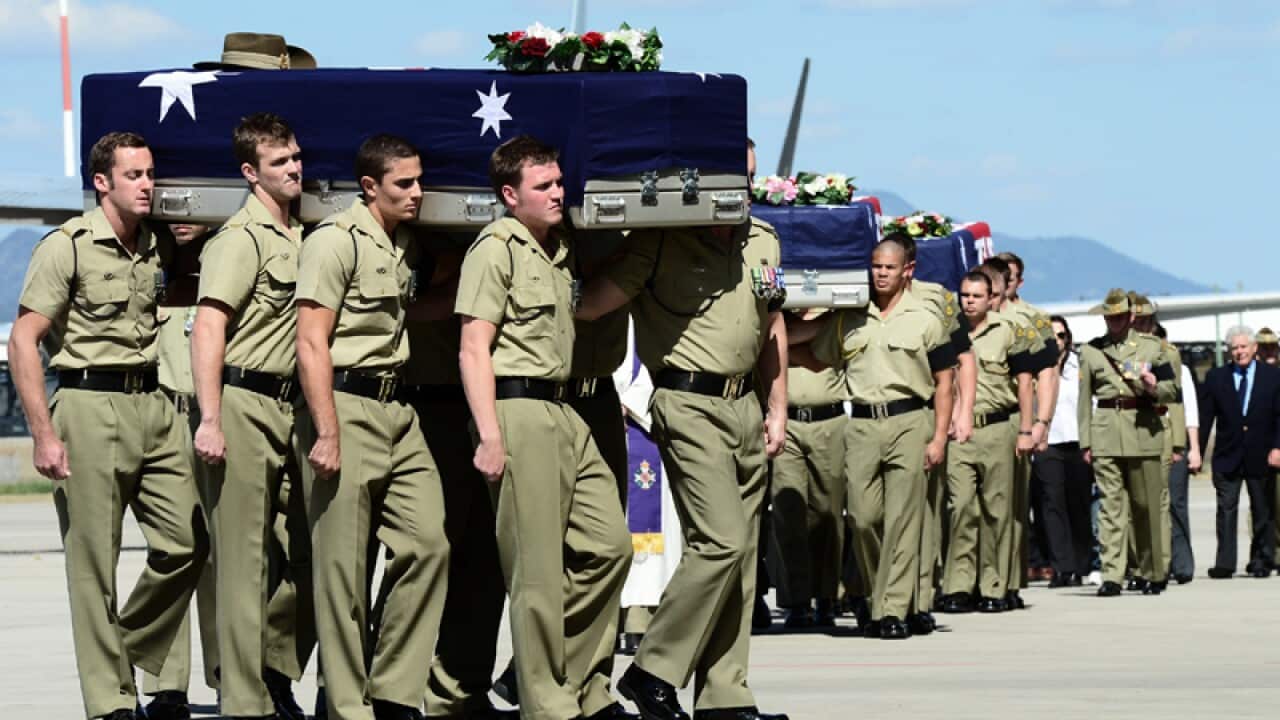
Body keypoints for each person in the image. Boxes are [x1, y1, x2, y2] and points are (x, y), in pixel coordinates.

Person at [576, 140, 790, 720]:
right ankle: (653, 669)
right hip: (686, 400)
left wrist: (778, 404)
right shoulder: (662, 235)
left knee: (741, 557)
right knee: (719, 541)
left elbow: (771, 326)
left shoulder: (763, 239)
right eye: (732, 178)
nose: (742, 190)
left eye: (749, 178)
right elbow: (596, 303)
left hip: (745, 404)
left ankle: (725, 695)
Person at [9, 132, 209, 720]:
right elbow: (25, 340)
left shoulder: (155, 246)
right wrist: (43, 434)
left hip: (153, 404)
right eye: (135, 175)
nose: (148, 184)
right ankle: (111, 702)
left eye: (151, 173)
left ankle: (120, 649)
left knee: (187, 544)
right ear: (103, 182)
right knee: (93, 563)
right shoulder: (65, 247)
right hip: (88, 406)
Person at [456, 135, 633, 720]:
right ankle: (548, 705)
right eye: (545, 186)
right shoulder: (495, 248)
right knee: (535, 574)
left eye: (559, 182)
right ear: (510, 195)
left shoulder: (557, 251)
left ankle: (569, 677)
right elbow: (474, 348)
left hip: (568, 409)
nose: (559, 193)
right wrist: (489, 435)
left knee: (609, 549)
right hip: (519, 409)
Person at [295, 134, 450, 720]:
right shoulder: (334, 242)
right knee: (341, 572)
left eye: (418, 181)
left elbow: (406, 307)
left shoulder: (403, 244)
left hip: (399, 410)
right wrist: (327, 431)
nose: (417, 193)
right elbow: (311, 342)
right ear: (369, 187)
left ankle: (392, 691)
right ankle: (345, 705)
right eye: (403, 184)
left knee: (428, 544)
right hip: (345, 405)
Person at [190, 113, 315, 720]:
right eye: (279, 162)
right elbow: (209, 326)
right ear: (250, 173)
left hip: (296, 406)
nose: (294, 168)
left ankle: (274, 670)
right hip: (243, 402)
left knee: (306, 553)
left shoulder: (305, 235)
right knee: (243, 561)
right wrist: (209, 418)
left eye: (295, 157)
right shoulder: (240, 239)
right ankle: (245, 701)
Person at [791, 233, 956, 640]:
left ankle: (892, 610)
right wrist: (773, 342)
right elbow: (817, 357)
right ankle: (878, 594)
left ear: (907, 271)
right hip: (862, 423)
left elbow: (945, 382)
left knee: (902, 520)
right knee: (863, 520)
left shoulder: (926, 318)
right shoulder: (852, 316)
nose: (881, 274)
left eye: (889, 268)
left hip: (910, 420)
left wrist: (939, 438)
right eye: (876, 267)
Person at [142, 222, 220, 720]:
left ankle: (228, 675)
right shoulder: (148, 267)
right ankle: (166, 684)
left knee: (223, 557)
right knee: (173, 551)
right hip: (164, 412)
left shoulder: (227, 260)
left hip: (218, 413)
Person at [938, 271, 1034, 613]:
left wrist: (1027, 429)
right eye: (964, 295)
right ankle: (958, 585)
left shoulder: (1008, 330)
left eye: (976, 296)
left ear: (991, 297)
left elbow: (1025, 383)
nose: (969, 301)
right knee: (960, 506)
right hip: (959, 433)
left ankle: (994, 585)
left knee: (997, 510)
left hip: (996, 428)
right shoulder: (948, 330)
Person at [1077, 289, 1178, 597]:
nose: (1114, 322)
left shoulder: (1152, 347)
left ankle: (1152, 571)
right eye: (1110, 317)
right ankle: (1112, 574)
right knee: (1110, 508)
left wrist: (1153, 388)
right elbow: (1084, 401)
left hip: (1143, 431)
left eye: (1120, 316)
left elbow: (1172, 390)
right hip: (1106, 431)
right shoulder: (1092, 351)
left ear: (1132, 317)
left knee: (1146, 506)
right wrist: (1086, 441)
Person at [900, 237, 976, 633]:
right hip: (872, 415)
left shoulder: (938, 300)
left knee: (926, 512)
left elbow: (961, 358)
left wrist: (961, 415)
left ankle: (919, 597)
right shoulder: (866, 297)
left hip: (927, 411)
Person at [770, 310, 847, 629]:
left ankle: (826, 594)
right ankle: (795, 599)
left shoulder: (837, 317)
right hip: (787, 423)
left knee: (828, 513)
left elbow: (820, 361)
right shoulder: (776, 315)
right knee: (788, 513)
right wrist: (796, 336)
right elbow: (768, 336)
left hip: (828, 422)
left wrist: (785, 343)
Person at [995, 252, 1059, 603]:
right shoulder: (974, 316)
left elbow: (1046, 375)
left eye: (1011, 276)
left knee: (1013, 507)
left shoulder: (1032, 319)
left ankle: (1011, 578)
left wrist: (1041, 422)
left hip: (1015, 420)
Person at [1198, 326, 1280, 579]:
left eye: (1244, 346)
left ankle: (1261, 560)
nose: (1239, 352)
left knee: (1261, 510)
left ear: (1254, 348)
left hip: (1261, 453)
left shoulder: (1273, 377)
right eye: (1234, 348)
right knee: (1226, 509)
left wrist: (1277, 447)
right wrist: (1197, 452)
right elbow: (1205, 417)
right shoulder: (1216, 377)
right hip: (1227, 455)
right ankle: (1225, 562)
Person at [1033, 316, 1094, 588]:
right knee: (1051, 504)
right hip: (1048, 443)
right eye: (1051, 336)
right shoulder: (1035, 367)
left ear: (1067, 338)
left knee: (1079, 505)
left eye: (1060, 336)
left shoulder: (1080, 366)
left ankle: (1082, 563)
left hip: (1078, 442)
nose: (1056, 341)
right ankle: (1061, 567)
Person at [1155, 323, 1201, 584]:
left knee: (1176, 504)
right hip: (1150, 444)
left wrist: (1193, 448)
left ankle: (1182, 564)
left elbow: (1190, 410)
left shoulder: (1180, 371)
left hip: (1176, 446)